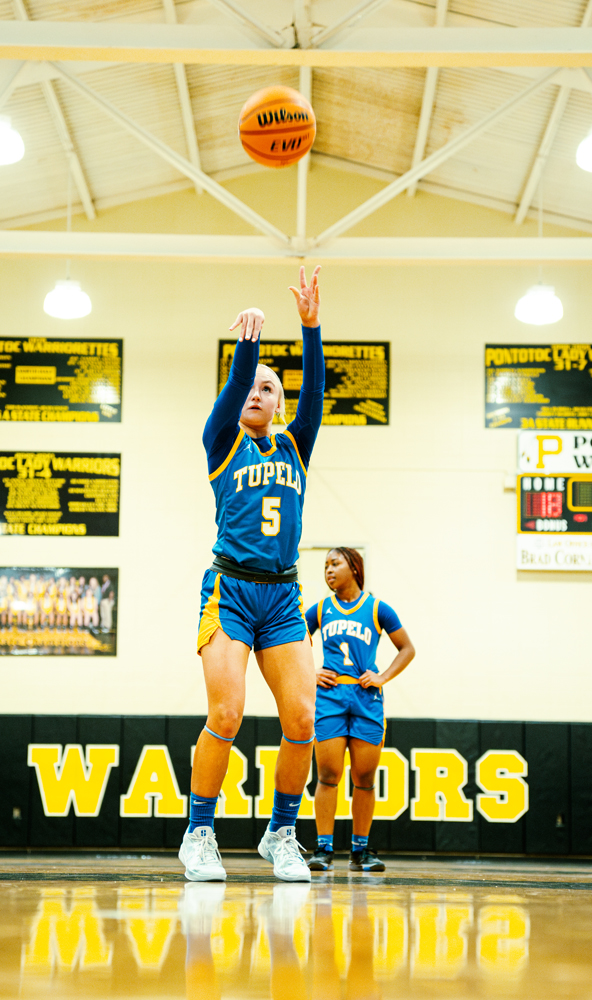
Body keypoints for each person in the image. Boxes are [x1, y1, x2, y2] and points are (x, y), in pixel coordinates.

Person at [180, 265, 324, 883]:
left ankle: (282, 834)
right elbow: (239, 381)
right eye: (250, 387)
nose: (258, 393)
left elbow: (316, 391)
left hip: (283, 595)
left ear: (282, 403)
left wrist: (311, 329)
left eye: (269, 388)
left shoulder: (296, 444)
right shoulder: (221, 441)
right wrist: (249, 349)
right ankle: (199, 833)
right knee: (228, 713)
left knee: (302, 722)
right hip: (230, 591)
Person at [305, 547, 415, 873]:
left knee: (364, 778)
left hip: (367, 697)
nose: (328, 570)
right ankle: (323, 849)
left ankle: (360, 851)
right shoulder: (321, 608)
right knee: (328, 775)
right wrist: (310, 672)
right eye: (325, 565)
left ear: (354, 567)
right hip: (330, 695)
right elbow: (293, 641)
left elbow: (407, 649)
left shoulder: (378, 608)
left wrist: (383, 676)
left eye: (334, 563)